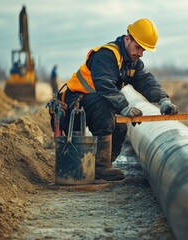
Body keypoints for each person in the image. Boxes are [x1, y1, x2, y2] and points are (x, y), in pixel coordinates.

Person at [55, 18, 179, 181]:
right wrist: (125, 107)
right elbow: (104, 85)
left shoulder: (132, 62)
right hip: (76, 101)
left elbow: (146, 81)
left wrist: (163, 100)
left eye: (144, 50)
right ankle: (101, 168)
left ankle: (103, 163)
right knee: (105, 108)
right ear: (127, 39)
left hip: (93, 100)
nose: (140, 53)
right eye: (138, 48)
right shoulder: (107, 55)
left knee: (119, 127)